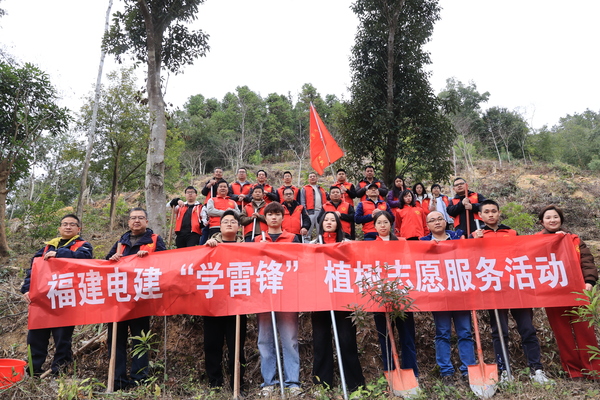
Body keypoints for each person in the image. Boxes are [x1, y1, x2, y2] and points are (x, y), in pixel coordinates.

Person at [471, 200, 552, 384]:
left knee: (527, 329)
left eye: (494, 211)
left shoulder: (512, 232)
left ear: (499, 213)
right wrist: (474, 242)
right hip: (494, 288)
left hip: (517, 287)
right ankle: (504, 370)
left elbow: (526, 252)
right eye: (486, 212)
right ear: (480, 216)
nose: (491, 214)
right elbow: (469, 260)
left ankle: (536, 369)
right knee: (499, 332)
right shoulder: (476, 235)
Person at [21, 214, 93, 376]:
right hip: (43, 299)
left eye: (72, 224)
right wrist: (26, 289)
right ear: (59, 228)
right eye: (65, 224)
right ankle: (34, 371)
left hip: (66, 298)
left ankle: (59, 372)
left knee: (62, 338)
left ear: (78, 229)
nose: (68, 227)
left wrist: (60, 253)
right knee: (36, 336)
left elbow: (85, 259)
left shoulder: (83, 246)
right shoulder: (47, 247)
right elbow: (33, 270)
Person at [106, 207, 167, 390]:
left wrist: (150, 258)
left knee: (140, 340)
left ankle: (139, 380)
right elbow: (106, 264)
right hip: (119, 298)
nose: (136, 221)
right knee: (116, 340)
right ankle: (117, 380)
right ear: (128, 222)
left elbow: (166, 263)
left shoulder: (155, 240)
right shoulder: (121, 242)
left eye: (140, 217)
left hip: (141, 299)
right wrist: (112, 258)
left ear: (147, 221)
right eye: (133, 218)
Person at [537, 205, 600, 380]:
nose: (552, 220)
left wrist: (589, 282)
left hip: (577, 291)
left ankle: (594, 370)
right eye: (548, 217)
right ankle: (574, 371)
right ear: (542, 222)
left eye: (555, 217)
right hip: (553, 294)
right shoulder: (535, 241)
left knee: (586, 331)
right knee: (562, 333)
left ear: (561, 219)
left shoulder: (573, 239)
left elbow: (587, 261)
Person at [310, 212, 365, 393]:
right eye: (326, 220)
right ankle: (322, 385)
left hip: (343, 299)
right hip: (319, 299)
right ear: (321, 223)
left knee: (347, 341)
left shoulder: (347, 243)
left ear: (338, 224)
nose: (329, 222)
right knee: (321, 342)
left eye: (333, 220)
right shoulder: (313, 245)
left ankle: (355, 385)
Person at [420, 211, 476, 386]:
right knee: (442, 333)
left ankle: (468, 369)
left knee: (465, 332)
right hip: (439, 295)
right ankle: (446, 371)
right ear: (427, 226)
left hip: (460, 293)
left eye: (439, 219)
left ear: (445, 221)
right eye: (432, 220)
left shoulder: (458, 238)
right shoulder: (422, 243)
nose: (437, 222)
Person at [254, 202, 301, 396]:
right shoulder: (256, 239)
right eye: (270, 214)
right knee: (265, 340)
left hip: (287, 295)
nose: (274, 217)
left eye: (277, 214)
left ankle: (293, 383)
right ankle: (269, 383)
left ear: (283, 217)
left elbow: (300, 263)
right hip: (264, 296)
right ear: (265, 218)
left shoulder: (293, 238)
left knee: (290, 340)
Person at [370, 211, 419, 383]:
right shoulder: (369, 246)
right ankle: (390, 373)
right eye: (379, 223)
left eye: (386, 222)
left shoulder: (402, 242)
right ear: (374, 226)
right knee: (384, 338)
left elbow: (410, 264)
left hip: (402, 296)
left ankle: (412, 373)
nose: (383, 225)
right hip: (380, 297)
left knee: (407, 336)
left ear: (391, 224)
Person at [204, 210, 247, 390]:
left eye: (233, 221)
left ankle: (238, 383)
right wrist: (207, 248)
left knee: (236, 346)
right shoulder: (208, 245)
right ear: (219, 226)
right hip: (213, 304)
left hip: (238, 304)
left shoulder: (247, 248)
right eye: (225, 221)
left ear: (239, 227)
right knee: (212, 345)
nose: (229, 224)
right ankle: (215, 383)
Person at [300, 172, 327, 241]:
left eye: (314, 176)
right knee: (308, 229)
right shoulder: (304, 189)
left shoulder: (321, 189)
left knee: (320, 230)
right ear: (308, 179)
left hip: (321, 212)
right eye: (311, 177)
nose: (312, 178)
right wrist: (305, 212)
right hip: (309, 212)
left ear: (317, 178)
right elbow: (302, 201)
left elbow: (328, 198)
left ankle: (319, 242)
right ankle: (306, 242)